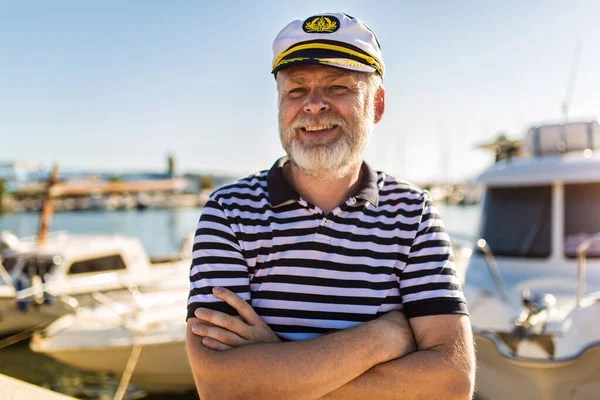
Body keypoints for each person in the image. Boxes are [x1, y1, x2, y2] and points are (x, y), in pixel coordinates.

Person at [186, 12, 475, 399]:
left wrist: (277, 371)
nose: (314, 105)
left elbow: (451, 384)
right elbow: (220, 387)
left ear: (377, 106)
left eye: (338, 87)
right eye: (296, 90)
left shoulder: (414, 213)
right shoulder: (229, 213)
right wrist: (384, 337)